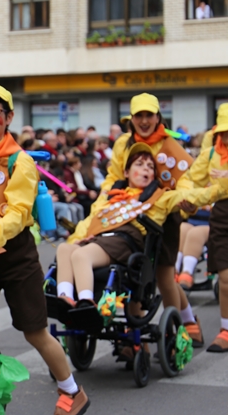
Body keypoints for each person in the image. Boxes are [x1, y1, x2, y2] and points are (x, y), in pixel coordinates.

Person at [0, 84, 90, 415]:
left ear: (8, 117)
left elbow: (18, 213)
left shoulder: (21, 162)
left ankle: (72, 390)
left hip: (16, 254)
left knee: (35, 331)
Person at [56, 143, 227, 313]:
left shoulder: (161, 197)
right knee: (65, 248)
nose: (146, 169)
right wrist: (76, 238)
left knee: (80, 255)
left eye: (150, 167)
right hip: (99, 239)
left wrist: (222, 187)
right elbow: (90, 221)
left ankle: (86, 304)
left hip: (125, 243)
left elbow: (195, 195)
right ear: (126, 172)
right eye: (139, 164)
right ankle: (64, 298)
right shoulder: (111, 197)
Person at [100, 93, 204, 346]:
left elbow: (186, 180)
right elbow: (112, 177)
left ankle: (185, 325)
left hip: (163, 217)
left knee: (164, 276)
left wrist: (186, 200)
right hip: (127, 214)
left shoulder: (171, 146)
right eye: (139, 116)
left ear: (158, 117)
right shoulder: (123, 144)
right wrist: (102, 204)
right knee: (134, 276)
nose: (144, 121)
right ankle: (136, 342)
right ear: (131, 119)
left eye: (149, 115)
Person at [184, 106, 228, 352]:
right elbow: (191, 179)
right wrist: (185, 199)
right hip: (221, 217)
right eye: (225, 132)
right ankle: (226, 330)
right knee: (225, 279)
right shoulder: (210, 153)